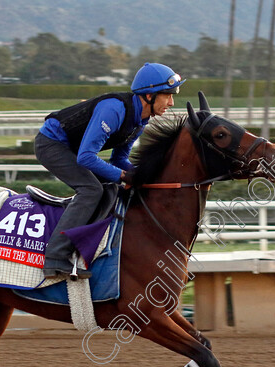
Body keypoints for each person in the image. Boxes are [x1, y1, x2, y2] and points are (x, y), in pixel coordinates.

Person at [35, 62, 185, 279]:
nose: (171, 102)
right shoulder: (114, 109)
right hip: (51, 144)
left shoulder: (140, 120)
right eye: (167, 95)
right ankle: (55, 257)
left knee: (111, 187)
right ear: (149, 95)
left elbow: (119, 159)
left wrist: (142, 175)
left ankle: (89, 247)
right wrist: (124, 175)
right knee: (91, 190)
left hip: (73, 149)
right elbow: (86, 157)